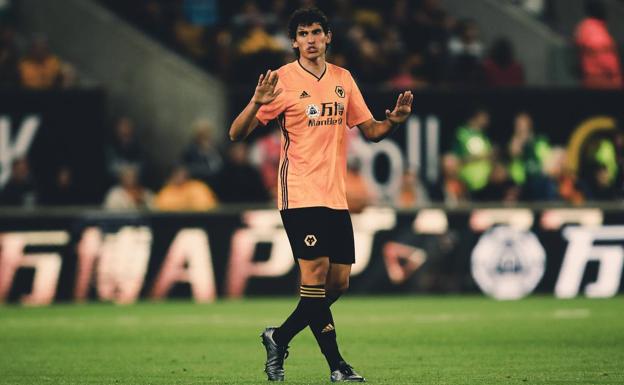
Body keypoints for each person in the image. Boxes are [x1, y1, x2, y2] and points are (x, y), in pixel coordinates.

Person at [229, 7, 413, 382]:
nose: (311, 39)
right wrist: (256, 101)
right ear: (294, 41)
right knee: (313, 277)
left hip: (334, 196)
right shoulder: (280, 81)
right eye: (303, 33)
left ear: (328, 37)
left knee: (338, 283)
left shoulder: (343, 79)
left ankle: (278, 337)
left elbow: (371, 131)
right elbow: (236, 133)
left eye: (317, 32)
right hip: (298, 192)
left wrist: (393, 121)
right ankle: (338, 366)